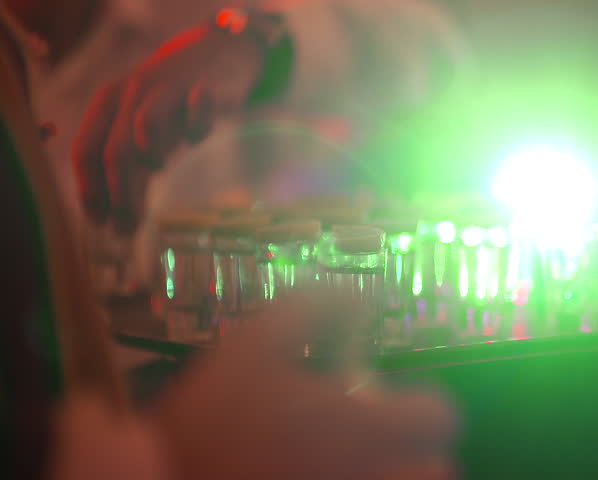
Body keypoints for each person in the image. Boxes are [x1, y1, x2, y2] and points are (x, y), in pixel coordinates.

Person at [0, 1, 458, 479]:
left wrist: (258, 41)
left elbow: (431, 48)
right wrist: (168, 458)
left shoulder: (193, 12)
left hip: (254, 408)